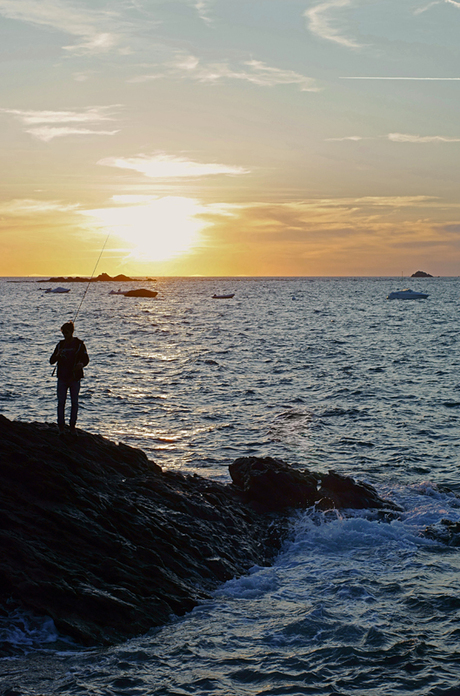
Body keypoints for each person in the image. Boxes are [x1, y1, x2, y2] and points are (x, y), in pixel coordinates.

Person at [50, 321, 89, 435]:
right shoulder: (60, 345)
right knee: (61, 403)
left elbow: (86, 359)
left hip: (74, 379)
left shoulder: (79, 344)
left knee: (74, 403)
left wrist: (81, 365)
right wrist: (57, 355)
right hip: (62, 378)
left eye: (66, 333)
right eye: (63, 333)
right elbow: (51, 361)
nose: (64, 335)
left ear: (71, 332)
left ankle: (72, 427)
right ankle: (61, 427)